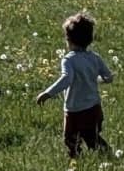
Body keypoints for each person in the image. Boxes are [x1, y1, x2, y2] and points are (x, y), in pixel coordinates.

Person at [34, 12, 114, 157]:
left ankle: (76, 161)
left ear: (68, 39)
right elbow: (108, 77)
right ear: (90, 39)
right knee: (92, 137)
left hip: (74, 110)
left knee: (71, 140)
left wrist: (48, 93)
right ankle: (107, 154)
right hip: (94, 109)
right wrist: (97, 80)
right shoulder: (95, 58)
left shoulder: (69, 60)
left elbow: (66, 79)